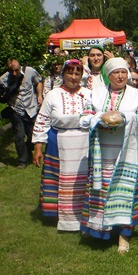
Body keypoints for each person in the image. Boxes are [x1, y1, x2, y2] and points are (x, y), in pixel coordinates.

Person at [79, 57, 138, 253]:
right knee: (102, 191)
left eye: (123, 72)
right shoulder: (95, 94)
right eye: (115, 72)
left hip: (128, 151)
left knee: (126, 193)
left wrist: (124, 118)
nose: (120, 76)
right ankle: (101, 230)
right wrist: (100, 118)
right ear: (108, 75)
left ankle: (124, 235)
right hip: (102, 153)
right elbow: (83, 119)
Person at [32, 60, 92, 231]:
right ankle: (58, 214)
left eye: (77, 73)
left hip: (84, 143)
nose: (73, 77)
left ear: (82, 76)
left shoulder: (89, 94)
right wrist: (38, 148)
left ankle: (84, 213)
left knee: (83, 179)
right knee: (58, 177)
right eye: (70, 73)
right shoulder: (53, 95)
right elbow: (42, 120)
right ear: (63, 74)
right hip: (58, 142)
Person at [0, 59, 43, 169]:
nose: (14, 73)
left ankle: (26, 152)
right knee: (19, 136)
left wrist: (40, 95)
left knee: (33, 136)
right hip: (16, 110)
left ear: (20, 67)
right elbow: (1, 93)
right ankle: (22, 161)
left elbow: (38, 81)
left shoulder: (30, 71)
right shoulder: (3, 79)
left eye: (16, 70)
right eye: (11, 71)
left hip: (30, 109)